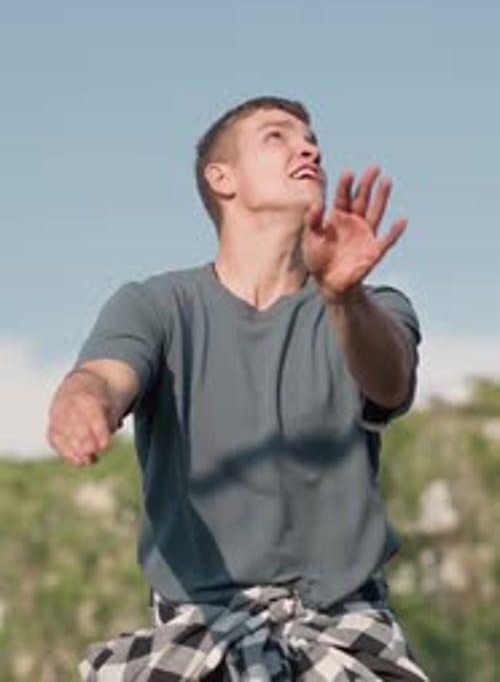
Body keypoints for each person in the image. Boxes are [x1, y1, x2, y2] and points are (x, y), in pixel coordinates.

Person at [47, 96, 430, 681]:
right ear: (220, 177)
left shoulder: (371, 308)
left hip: (344, 634)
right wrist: (82, 402)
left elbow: (391, 383)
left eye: (312, 139)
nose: (310, 148)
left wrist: (344, 297)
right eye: (277, 136)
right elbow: (102, 375)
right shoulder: (156, 305)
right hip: (200, 633)